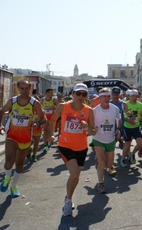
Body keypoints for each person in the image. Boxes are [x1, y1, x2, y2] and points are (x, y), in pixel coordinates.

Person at [49, 83, 97, 216]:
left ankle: (68, 197)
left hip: (81, 147)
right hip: (65, 145)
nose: (81, 96)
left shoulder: (89, 111)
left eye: (84, 94)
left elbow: (93, 132)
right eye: (78, 93)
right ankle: (68, 202)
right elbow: (53, 120)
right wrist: (52, 134)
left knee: (75, 176)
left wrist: (87, 127)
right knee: (75, 174)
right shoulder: (62, 107)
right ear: (72, 94)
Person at [0, 78, 46, 198]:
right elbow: (2, 111)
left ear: (30, 89)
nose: (24, 91)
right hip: (12, 136)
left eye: (27, 88)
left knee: (19, 164)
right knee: (9, 161)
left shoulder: (34, 103)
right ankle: (6, 178)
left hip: (25, 138)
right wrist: (0, 126)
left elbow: (43, 118)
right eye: (22, 88)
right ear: (18, 89)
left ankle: (14, 186)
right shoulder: (12, 101)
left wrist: (37, 124)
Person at [91, 88, 121, 193]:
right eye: (104, 96)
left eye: (108, 96)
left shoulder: (115, 109)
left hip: (110, 139)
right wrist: (91, 129)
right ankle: (101, 183)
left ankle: (99, 162)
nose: (107, 98)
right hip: (98, 139)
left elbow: (119, 119)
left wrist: (118, 129)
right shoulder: (95, 111)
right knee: (102, 161)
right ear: (99, 98)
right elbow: (90, 125)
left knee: (109, 164)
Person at [120, 89, 142, 166]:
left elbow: (141, 114)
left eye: (136, 96)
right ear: (130, 96)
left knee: (140, 144)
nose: (135, 97)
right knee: (127, 145)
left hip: (136, 127)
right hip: (127, 127)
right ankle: (123, 159)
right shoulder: (125, 104)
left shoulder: (140, 104)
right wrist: (129, 120)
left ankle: (133, 154)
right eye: (133, 96)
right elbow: (122, 117)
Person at [41, 88, 59, 152]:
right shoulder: (42, 100)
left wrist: (54, 107)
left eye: (52, 93)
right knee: (45, 130)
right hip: (45, 118)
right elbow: (39, 108)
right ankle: (45, 144)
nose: (52, 94)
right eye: (51, 93)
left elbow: (59, 108)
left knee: (49, 131)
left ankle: (48, 143)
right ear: (47, 93)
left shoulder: (54, 100)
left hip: (51, 118)